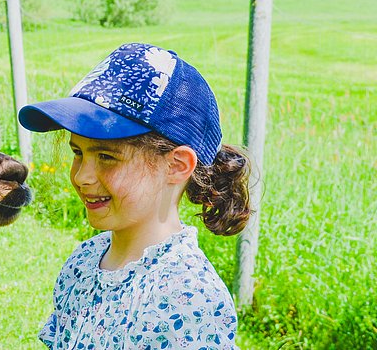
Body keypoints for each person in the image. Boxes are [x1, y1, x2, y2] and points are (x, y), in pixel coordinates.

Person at [18, 43, 251, 349]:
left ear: (177, 165)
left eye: (107, 157)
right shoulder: (84, 262)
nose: (81, 176)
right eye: (78, 152)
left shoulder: (190, 297)